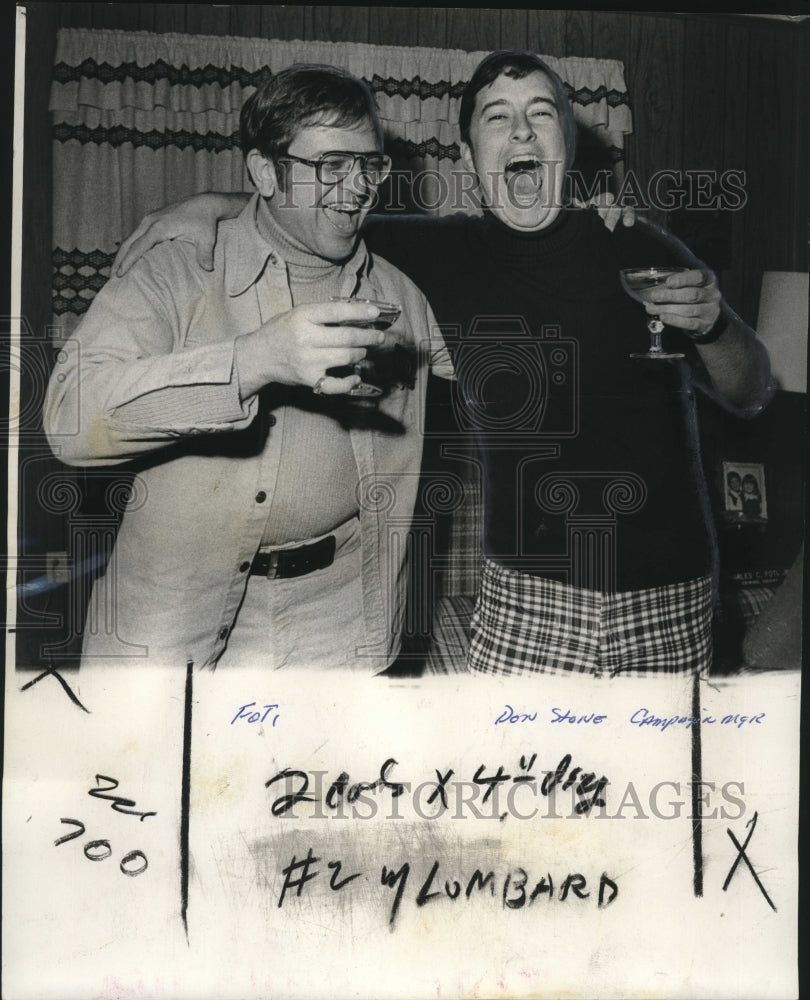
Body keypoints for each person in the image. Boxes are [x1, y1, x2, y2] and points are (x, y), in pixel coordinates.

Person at [110, 50, 774, 678]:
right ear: (468, 155)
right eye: (498, 118)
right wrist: (210, 207)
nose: (521, 131)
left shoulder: (636, 243)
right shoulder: (428, 254)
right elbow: (307, 212)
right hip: (528, 595)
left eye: (542, 114)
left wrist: (715, 326)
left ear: (568, 144)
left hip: (671, 595)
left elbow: (749, 390)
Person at [43, 63, 454, 674]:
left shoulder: (405, 295)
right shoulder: (176, 270)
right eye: (331, 165)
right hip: (168, 620)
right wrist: (253, 361)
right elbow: (67, 423)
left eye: (370, 164)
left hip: (338, 624)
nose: (359, 186)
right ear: (265, 171)